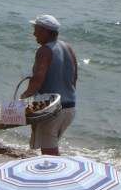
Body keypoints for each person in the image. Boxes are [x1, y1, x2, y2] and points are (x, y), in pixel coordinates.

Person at [20, 14, 78, 156]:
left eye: (37, 30)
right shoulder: (68, 47)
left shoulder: (45, 50)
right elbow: (74, 78)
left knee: (49, 154)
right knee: (51, 147)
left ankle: (57, 177)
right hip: (69, 108)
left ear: (46, 31)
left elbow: (38, 78)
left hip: (52, 110)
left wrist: (23, 99)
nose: (34, 34)